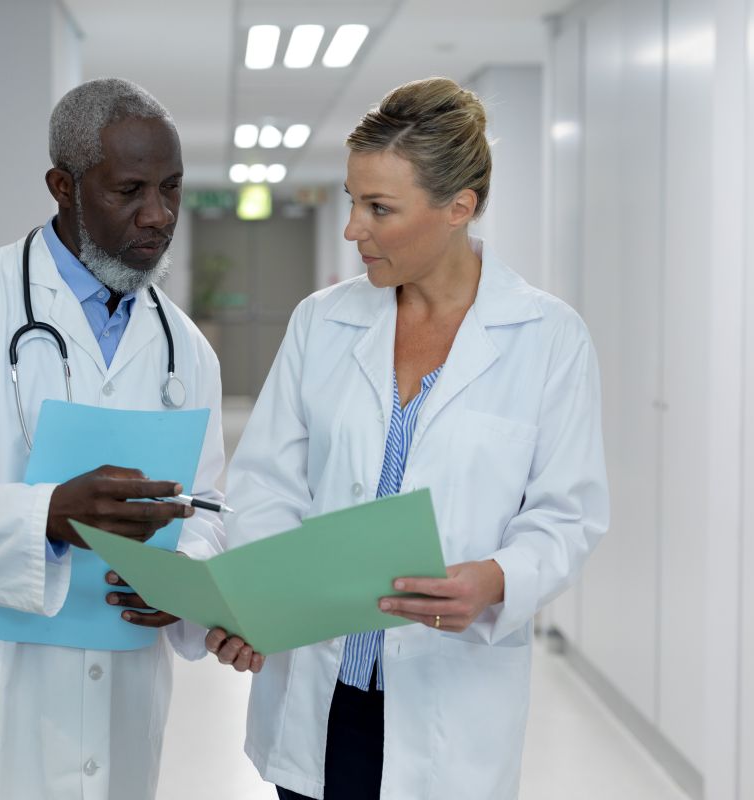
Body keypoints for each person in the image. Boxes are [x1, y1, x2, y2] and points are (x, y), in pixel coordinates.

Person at [205, 77, 609, 799]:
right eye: (354, 200)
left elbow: (566, 515)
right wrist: (259, 600)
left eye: (379, 208)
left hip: (448, 701)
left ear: (460, 209)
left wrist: (497, 580)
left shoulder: (549, 339)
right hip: (320, 692)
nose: (352, 228)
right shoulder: (321, 323)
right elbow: (266, 483)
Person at [0, 78, 225, 799]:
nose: (159, 215)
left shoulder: (187, 351)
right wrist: (47, 515)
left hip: (121, 689)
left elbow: (204, 507)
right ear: (64, 186)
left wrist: (184, 582)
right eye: (130, 191)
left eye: (173, 188)